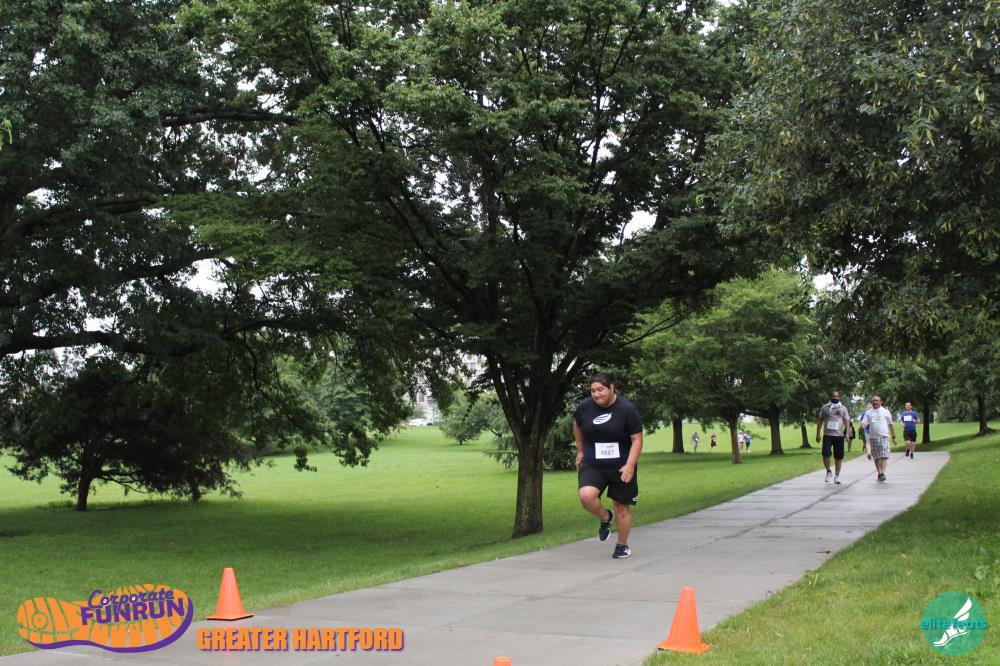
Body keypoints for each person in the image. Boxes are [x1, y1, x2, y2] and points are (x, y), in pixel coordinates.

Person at [574, 373, 643, 559]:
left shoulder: (627, 409)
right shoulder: (584, 407)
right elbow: (577, 425)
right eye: (593, 391)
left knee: (621, 506)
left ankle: (622, 545)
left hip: (621, 465)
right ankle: (606, 517)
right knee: (586, 496)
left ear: (611, 388)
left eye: (600, 390)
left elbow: (637, 440)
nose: (596, 394)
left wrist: (630, 465)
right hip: (594, 463)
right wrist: (581, 450)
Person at [816, 390, 851, 484]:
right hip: (828, 435)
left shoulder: (843, 408)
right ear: (830, 397)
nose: (835, 398)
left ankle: (837, 476)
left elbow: (847, 421)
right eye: (833, 396)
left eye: (837, 396)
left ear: (839, 397)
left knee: (838, 457)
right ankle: (828, 472)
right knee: (825, 454)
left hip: (839, 436)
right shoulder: (825, 408)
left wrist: (847, 434)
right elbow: (820, 421)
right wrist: (818, 434)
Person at [861, 395, 897, 482]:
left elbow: (890, 425)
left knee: (884, 455)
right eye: (873, 401)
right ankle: (879, 473)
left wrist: (894, 437)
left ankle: (883, 473)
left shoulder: (885, 411)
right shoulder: (868, 412)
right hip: (873, 437)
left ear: (881, 402)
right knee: (876, 457)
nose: (875, 402)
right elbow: (863, 424)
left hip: (884, 436)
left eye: (877, 400)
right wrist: (861, 430)